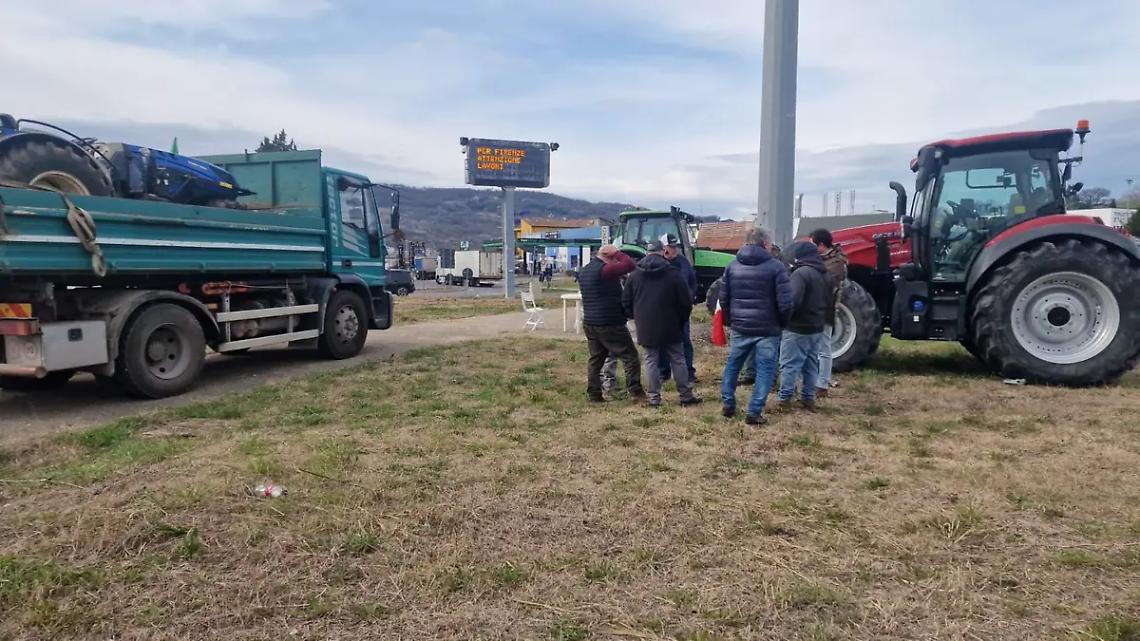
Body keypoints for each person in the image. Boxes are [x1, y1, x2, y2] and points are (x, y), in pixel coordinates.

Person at [719, 228, 793, 425]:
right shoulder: (776, 267)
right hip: (768, 329)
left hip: (740, 327)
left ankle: (728, 403)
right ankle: (754, 411)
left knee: (733, 365)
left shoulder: (732, 265)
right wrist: (782, 323)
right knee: (765, 370)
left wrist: (731, 321)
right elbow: (786, 303)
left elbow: (723, 298)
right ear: (765, 244)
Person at [623, 241, 701, 408]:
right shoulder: (673, 273)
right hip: (671, 323)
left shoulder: (635, 274)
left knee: (650, 360)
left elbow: (626, 301)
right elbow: (685, 301)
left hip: (646, 325)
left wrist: (637, 317)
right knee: (678, 359)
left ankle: (653, 398)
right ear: (662, 252)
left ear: (646, 252)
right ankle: (685, 396)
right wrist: (681, 320)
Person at [578, 245, 645, 402]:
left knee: (596, 359)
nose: (617, 261)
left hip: (590, 322)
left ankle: (594, 394)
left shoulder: (585, 271)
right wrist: (617, 253)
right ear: (609, 257)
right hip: (609, 322)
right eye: (615, 258)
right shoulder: (605, 270)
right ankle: (635, 391)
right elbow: (630, 265)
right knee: (630, 356)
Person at [776, 241, 829, 411]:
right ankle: (808, 398)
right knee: (811, 365)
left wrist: (783, 319)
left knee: (789, 364)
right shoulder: (823, 273)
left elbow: (793, 302)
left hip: (797, 327)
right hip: (817, 327)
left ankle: (784, 400)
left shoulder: (801, 274)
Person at [809, 229, 848, 398]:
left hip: (825, 309)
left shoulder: (836, 263)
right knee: (813, 348)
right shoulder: (822, 260)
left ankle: (822, 384)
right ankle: (812, 381)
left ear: (821, 245)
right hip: (814, 309)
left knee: (824, 348)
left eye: (812, 244)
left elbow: (828, 285)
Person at [659, 234, 698, 382]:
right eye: (671, 247)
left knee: (685, 340)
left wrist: (690, 296)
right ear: (664, 248)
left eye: (675, 246)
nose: (674, 249)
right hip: (663, 310)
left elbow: (692, 281)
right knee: (662, 341)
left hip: (681, 309)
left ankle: (688, 371)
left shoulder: (683, 261)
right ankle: (663, 371)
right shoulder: (658, 263)